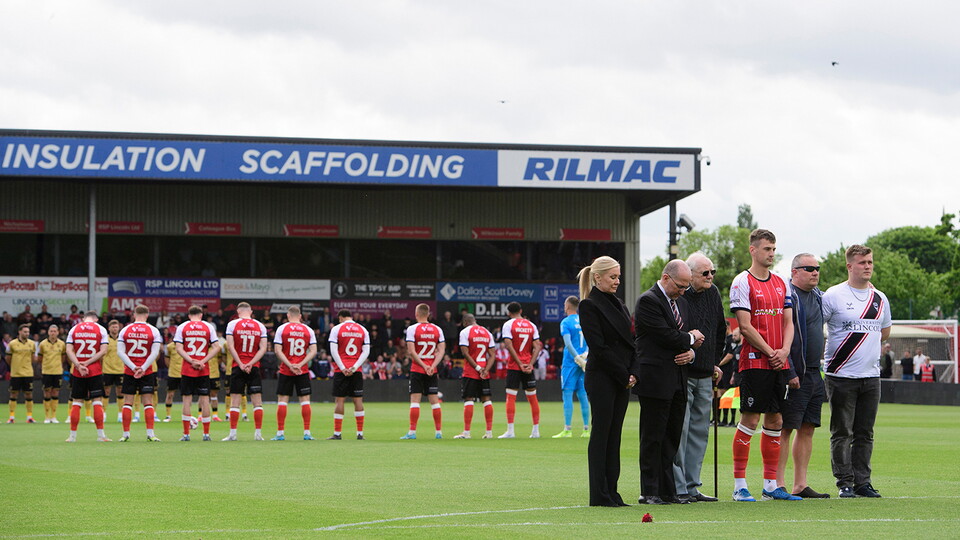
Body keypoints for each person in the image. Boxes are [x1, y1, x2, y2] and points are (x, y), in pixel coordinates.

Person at [728, 229, 801, 502]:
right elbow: (745, 326)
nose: (771, 253)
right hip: (754, 362)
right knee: (750, 418)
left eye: (773, 249)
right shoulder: (742, 282)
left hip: (777, 362)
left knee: (776, 420)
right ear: (753, 250)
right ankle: (739, 486)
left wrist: (783, 352)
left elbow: (788, 323)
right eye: (767, 248)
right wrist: (772, 351)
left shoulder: (782, 282)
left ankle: (771, 485)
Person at [822, 244, 892, 498]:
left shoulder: (879, 298)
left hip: (871, 376)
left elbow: (885, 331)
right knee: (842, 432)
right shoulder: (833, 295)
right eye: (862, 263)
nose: (867, 267)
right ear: (850, 266)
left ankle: (863, 482)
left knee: (865, 433)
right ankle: (845, 482)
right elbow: (816, 325)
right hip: (840, 375)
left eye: (870, 262)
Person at [634, 260, 702, 505]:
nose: (683, 291)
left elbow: (685, 341)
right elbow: (664, 334)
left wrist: (691, 351)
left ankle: (667, 490)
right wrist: (690, 339)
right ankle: (649, 491)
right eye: (680, 286)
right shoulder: (648, 301)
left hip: (678, 379)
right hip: (655, 379)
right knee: (652, 437)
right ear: (665, 278)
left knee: (671, 437)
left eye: (686, 287)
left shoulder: (681, 302)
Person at [577, 256, 636, 507]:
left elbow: (631, 341)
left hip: (621, 378)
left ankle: (612, 491)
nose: (617, 281)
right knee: (602, 434)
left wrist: (634, 372)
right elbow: (599, 347)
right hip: (602, 378)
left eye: (618, 277)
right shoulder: (589, 306)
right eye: (612, 277)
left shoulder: (619, 304)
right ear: (597, 277)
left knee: (615, 436)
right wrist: (625, 374)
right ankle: (599, 494)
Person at [776, 253, 830, 498]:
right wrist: (789, 369)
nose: (815, 272)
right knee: (785, 427)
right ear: (795, 271)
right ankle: (777, 484)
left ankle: (800, 484)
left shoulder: (820, 296)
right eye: (809, 268)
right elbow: (780, 336)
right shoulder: (786, 295)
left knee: (808, 428)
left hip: (814, 372)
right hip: (794, 371)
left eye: (817, 268)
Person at [672, 254, 725, 503]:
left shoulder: (713, 293)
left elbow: (720, 329)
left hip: (705, 373)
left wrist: (714, 360)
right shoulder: (680, 294)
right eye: (705, 273)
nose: (710, 277)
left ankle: (692, 485)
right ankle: (678, 485)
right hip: (682, 373)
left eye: (712, 272)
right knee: (680, 430)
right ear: (690, 274)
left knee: (699, 432)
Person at [174, 305, 221, 441]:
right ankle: (206, 434)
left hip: (187, 369)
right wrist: (202, 361)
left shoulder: (182, 327)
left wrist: (191, 361)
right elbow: (216, 347)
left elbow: (178, 348)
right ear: (201, 315)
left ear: (189, 315)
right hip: (203, 369)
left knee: (186, 401)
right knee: (205, 400)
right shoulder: (208, 327)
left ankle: (186, 434)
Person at [222, 302, 268, 441]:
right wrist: (251, 363)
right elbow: (263, 348)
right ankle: (258, 434)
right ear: (251, 311)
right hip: (254, 367)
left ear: (238, 311)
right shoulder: (260, 325)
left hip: (238, 366)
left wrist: (241, 363)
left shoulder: (232, 324)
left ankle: (233, 434)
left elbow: (230, 346)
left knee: (235, 400)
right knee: (257, 401)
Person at [117, 305, 163, 442]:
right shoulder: (153, 330)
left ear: (134, 315)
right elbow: (155, 352)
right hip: (147, 371)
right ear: (147, 315)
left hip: (129, 372)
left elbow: (120, 352)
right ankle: (150, 434)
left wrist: (133, 367)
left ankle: (125, 435)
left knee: (128, 402)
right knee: (148, 402)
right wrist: (142, 368)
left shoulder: (125, 330)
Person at [272, 306, 317, 441]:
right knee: (305, 401)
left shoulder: (282, 328)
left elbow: (277, 350)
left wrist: (289, 364)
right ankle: (307, 433)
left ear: (288, 315)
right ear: (300, 316)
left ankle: (280, 433)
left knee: (282, 401)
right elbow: (314, 351)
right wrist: (301, 364)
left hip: (286, 370)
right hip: (302, 370)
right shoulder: (308, 330)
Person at [401, 303, 446, 440]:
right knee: (435, 401)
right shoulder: (437, 329)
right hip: (432, 370)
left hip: (417, 369)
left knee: (415, 401)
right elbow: (442, 350)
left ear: (416, 314)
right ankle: (438, 432)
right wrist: (432, 365)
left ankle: (412, 432)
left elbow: (411, 351)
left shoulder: (412, 329)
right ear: (428, 314)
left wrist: (423, 365)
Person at [64, 311, 110, 442]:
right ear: (95, 319)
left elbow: (68, 350)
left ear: (84, 318)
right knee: (97, 401)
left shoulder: (74, 329)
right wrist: (88, 363)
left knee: (77, 402)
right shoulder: (100, 329)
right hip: (94, 370)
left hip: (78, 371)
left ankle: (72, 436)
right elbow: (104, 351)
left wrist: (78, 365)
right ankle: (101, 435)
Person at [327, 309, 371, 440]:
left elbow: (333, 351)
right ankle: (360, 434)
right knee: (358, 400)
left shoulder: (336, 329)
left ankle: (337, 433)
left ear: (340, 317)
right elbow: (366, 351)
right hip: (356, 370)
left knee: (339, 400)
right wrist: (354, 367)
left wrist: (342, 367)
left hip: (341, 370)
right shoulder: (363, 330)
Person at [553, 296, 590, 439]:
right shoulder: (585, 320)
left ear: (568, 307)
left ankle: (567, 429)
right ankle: (586, 430)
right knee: (583, 395)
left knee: (567, 394)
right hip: (585, 359)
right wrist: (585, 355)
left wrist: (577, 358)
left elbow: (568, 343)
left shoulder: (565, 322)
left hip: (571, 362)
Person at [454, 313, 496, 439]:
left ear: (465, 322)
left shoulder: (465, 332)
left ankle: (466, 432)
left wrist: (478, 368)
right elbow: (493, 354)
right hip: (484, 371)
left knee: (468, 399)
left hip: (471, 371)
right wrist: (486, 370)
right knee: (486, 399)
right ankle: (489, 432)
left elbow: (465, 353)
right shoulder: (487, 332)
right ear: (475, 320)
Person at [6, 324, 37, 423]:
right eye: (25, 332)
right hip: (16, 373)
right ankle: (11, 417)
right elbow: (8, 359)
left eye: (28, 332)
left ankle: (29, 417)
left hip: (28, 373)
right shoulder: (12, 344)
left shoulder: (32, 344)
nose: (27, 334)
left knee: (29, 394)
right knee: (13, 394)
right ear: (19, 332)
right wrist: (15, 366)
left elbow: (33, 358)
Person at [37, 324, 66, 423]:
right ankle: (47, 416)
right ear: (48, 332)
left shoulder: (62, 344)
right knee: (47, 392)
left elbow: (63, 358)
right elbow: (39, 359)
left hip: (57, 371)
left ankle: (53, 416)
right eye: (51, 331)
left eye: (55, 331)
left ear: (58, 332)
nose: (53, 333)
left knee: (55, 392)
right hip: (47, 371)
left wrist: (59, 366)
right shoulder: (42, 344)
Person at [717, 327, 742, 427]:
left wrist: (719, 364)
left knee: (739, 399)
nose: (733, 337)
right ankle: (725, 420)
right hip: (735, 375)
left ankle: (736, 421)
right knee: (730, 397)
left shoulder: (742, 348)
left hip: (740, 375)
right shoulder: (736, 348)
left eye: (736, 335)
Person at [102, 320, 125, 423]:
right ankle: (103, 413)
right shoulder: (105, 340)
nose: (115, 329)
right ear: (109, 328)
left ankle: (120, 414)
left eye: (116, 327)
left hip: (120, 369)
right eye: (113, 327)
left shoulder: (122, 339)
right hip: (107, 369)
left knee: (120, 392)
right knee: (106, 391)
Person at [163, 336, 183, 422]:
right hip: (173, 374)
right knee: (170, 394)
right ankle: (168, 416)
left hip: (184, 374)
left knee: (186, 396)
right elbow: (167, 359)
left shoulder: (186, 346)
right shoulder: (170, 347)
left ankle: (186, 416)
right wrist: (171, 368)